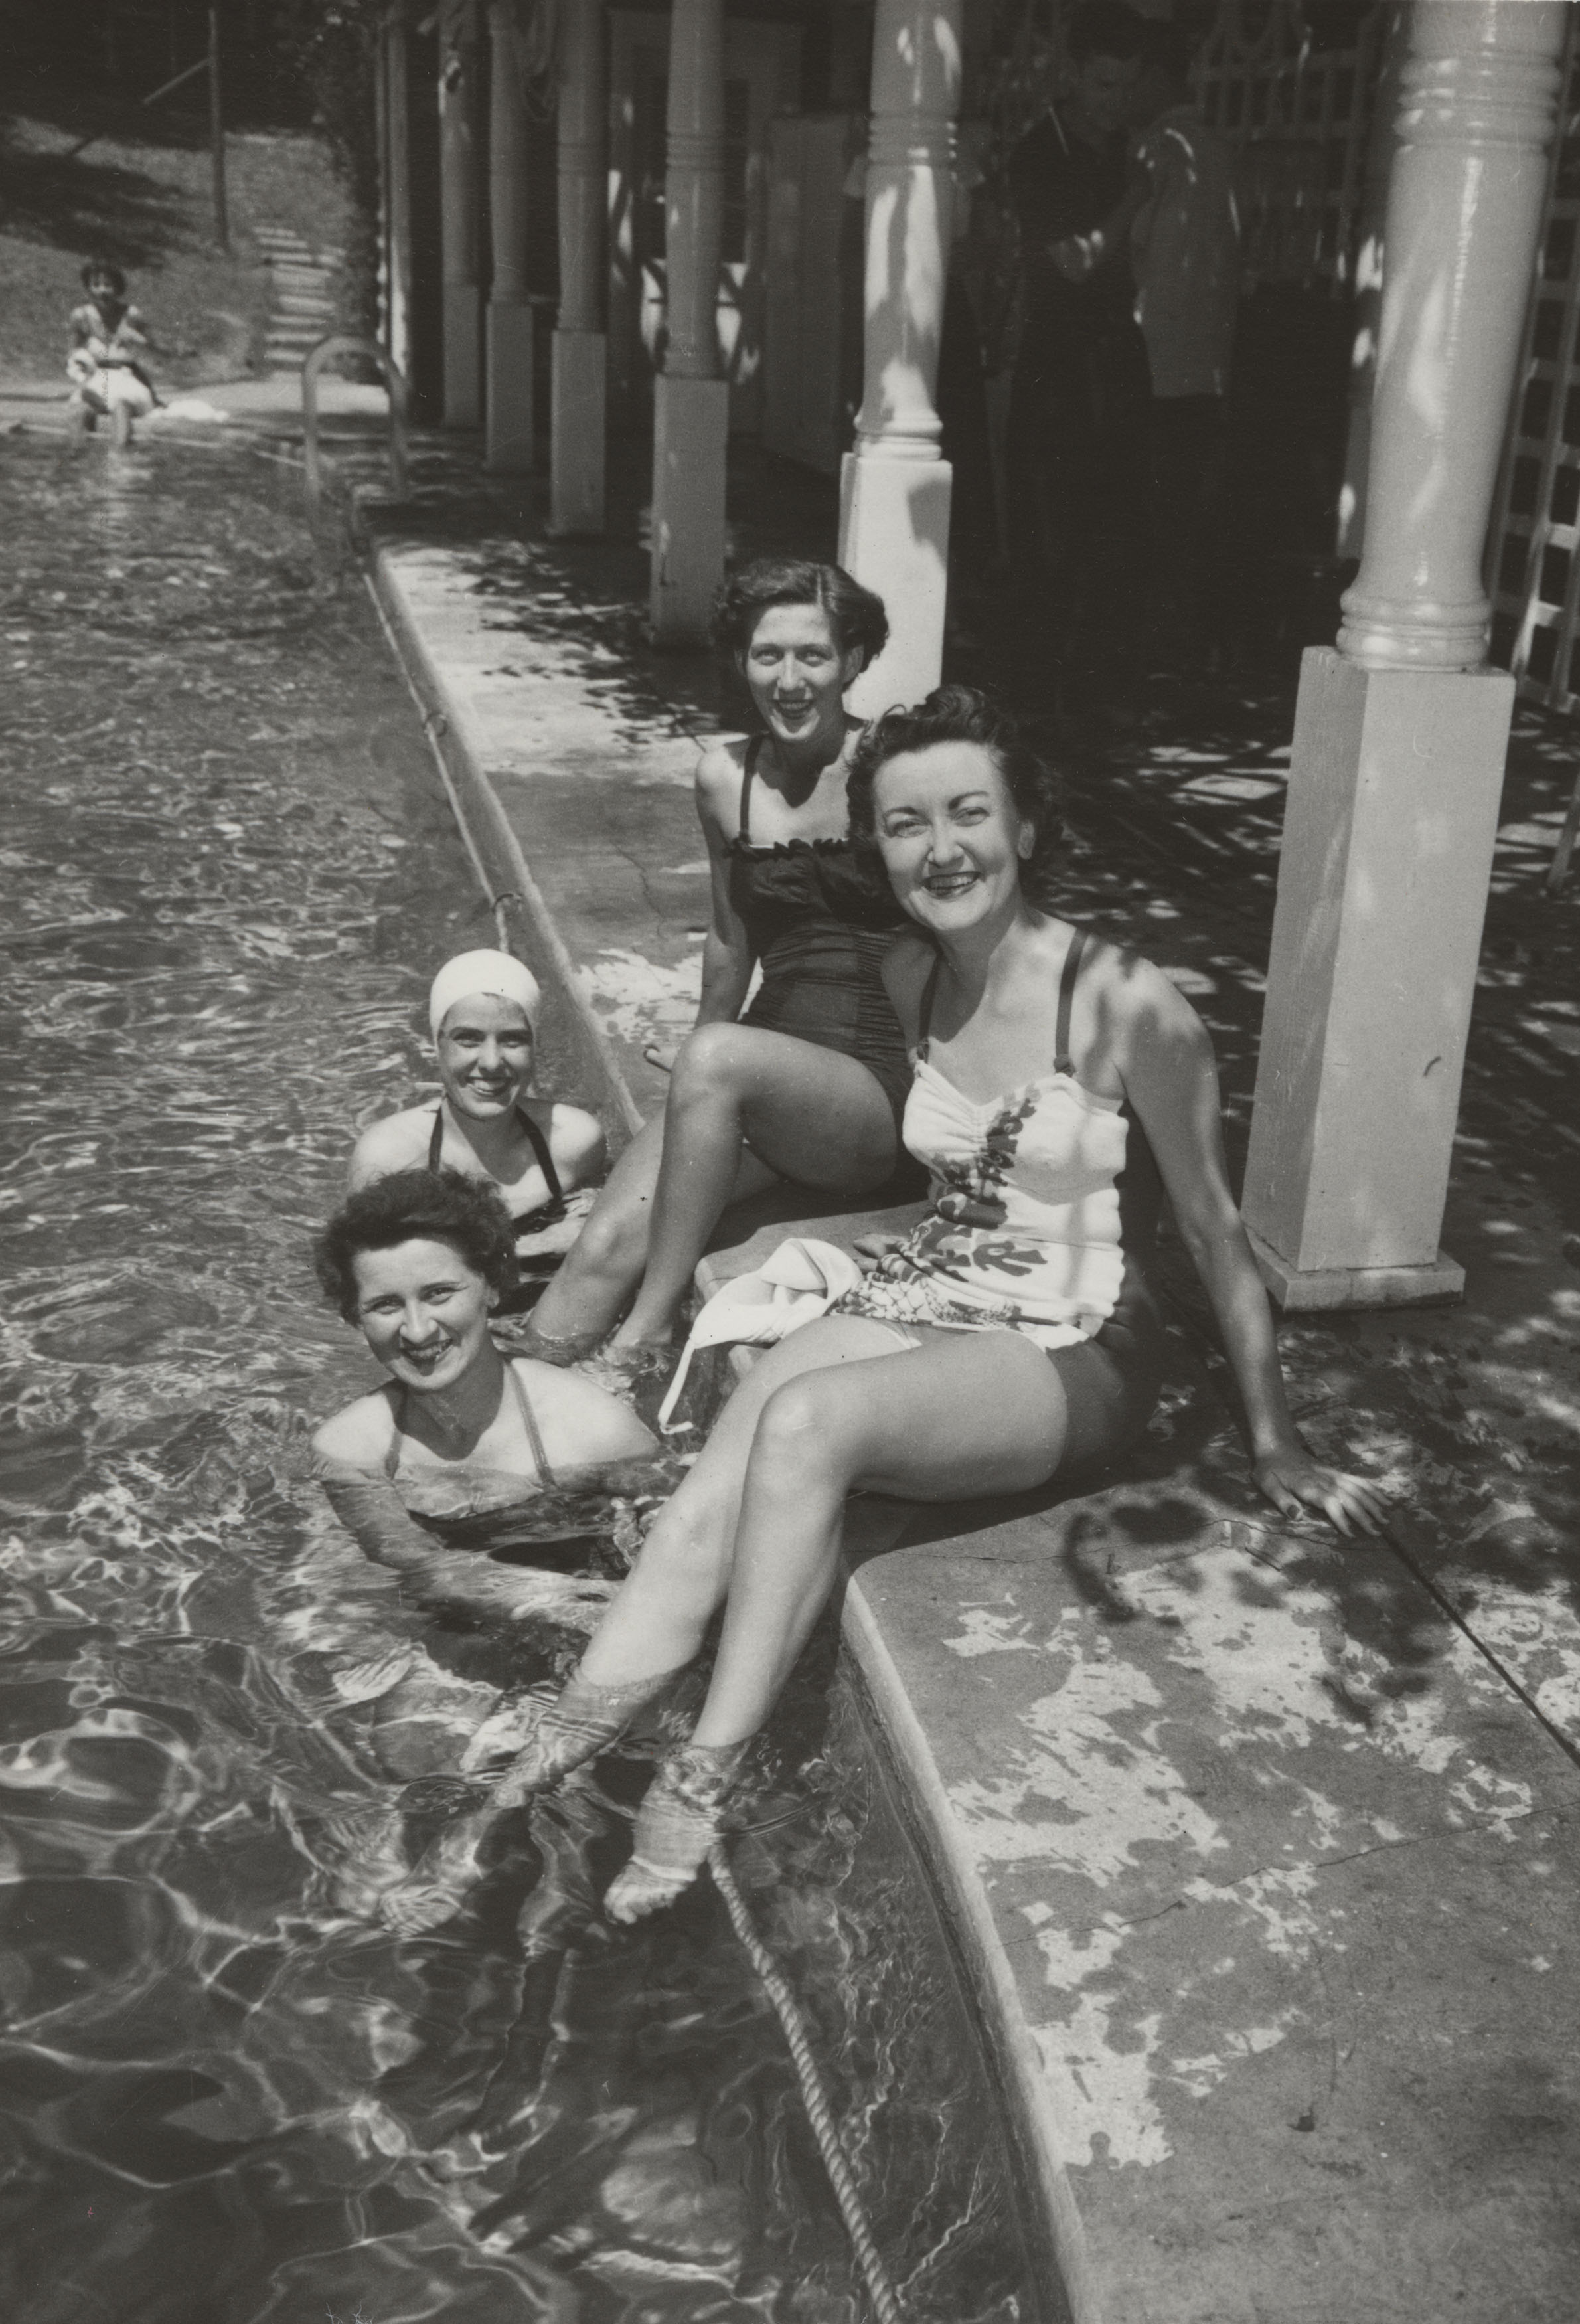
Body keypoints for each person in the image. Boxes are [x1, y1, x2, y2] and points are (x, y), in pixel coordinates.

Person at [401, 687, 1387, 1930]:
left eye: (970, 813)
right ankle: (535, 1769)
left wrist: (1276, 1437)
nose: (942, 849)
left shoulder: (1130, 1003)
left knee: (811, 1427)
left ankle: (706, 1774)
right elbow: (800, 1012)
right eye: (907, 826)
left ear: (1026, 824)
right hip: (937, 1285)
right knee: (727, 1466)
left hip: (1081, 1341)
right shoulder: (914, 970)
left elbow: (1211, 1230)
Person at [526, 557, 920, 1367]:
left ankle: (647, 1332)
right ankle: (514, 1423)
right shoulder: (724, 778)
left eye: (811, 655)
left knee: (716, 1060)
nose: (788, 678)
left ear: (853, 660)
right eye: (765, 655)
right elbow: (730, 935)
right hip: (755, 1073)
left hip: (874, 1091)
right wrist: (700, 1071)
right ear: (741, 661)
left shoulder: (895, 768)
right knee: (599, 1249)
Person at [311, 1168, 658, 1605]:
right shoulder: (350, 1447)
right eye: (385, 1306)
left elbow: (680, 1549)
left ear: (492, 1287)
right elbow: (421, 1567)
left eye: (439, 1294)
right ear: (355, 1318)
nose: (417, 1331)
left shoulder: (595, 1432)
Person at [1006, 1, 1154, 689]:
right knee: (1046, 525)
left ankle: (1089, 674)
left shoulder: (1116, 146)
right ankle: (1035, 677)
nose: (1115, 103)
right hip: (1055, 366)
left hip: (1114, 359)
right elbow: (1074, 260)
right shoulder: (1041, 153)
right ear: (1072, 75)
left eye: (1126, 87)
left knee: (1113, 522)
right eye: (1102, 86)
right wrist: (1134, 199)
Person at [349, 949, 605, 1313]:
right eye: (468, 1039)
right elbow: (375, 1296)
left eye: (513, 1040)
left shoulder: (572, 1142)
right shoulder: (389, 1158)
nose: (491, 1062)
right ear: (436, 1045)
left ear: (535, 1048)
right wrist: (539, 1245)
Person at [1129, 19, 1241, 668]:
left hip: (1154, 364)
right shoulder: (1216, 148)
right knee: (1187, 512)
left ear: (1155, 76)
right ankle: (1186, 644)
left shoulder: (1158, 148)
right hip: (1207, 365)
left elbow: (1141, 249)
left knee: (1154, 514)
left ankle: (1160, 646)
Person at [66, 259, 161, 437]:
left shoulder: (131, 314)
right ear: (88, 287)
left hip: (126, 379)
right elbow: (72, 354)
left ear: (117, 288)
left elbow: (156, 347)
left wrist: (139, 338)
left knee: (120, 407)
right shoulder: (81, 316)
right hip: (95, 379)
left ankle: (120, 460)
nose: (102, 291)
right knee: (79, 412)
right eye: (96, 285)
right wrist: (81, 377)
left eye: (108, 285)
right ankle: (76, 459)